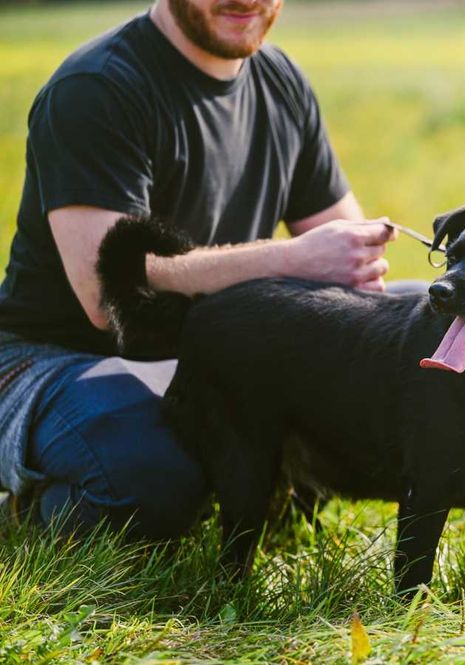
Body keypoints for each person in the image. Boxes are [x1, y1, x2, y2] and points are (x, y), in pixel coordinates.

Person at [0, 0, 413, 538]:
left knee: (422, 332)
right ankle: (25, 510)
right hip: (57, 361)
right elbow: (106, 296)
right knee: (155, 463)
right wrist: (292, 260)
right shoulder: (96, 88)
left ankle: (245, 483)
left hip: (212, 352)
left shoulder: (281, 83)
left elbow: (354, 268)